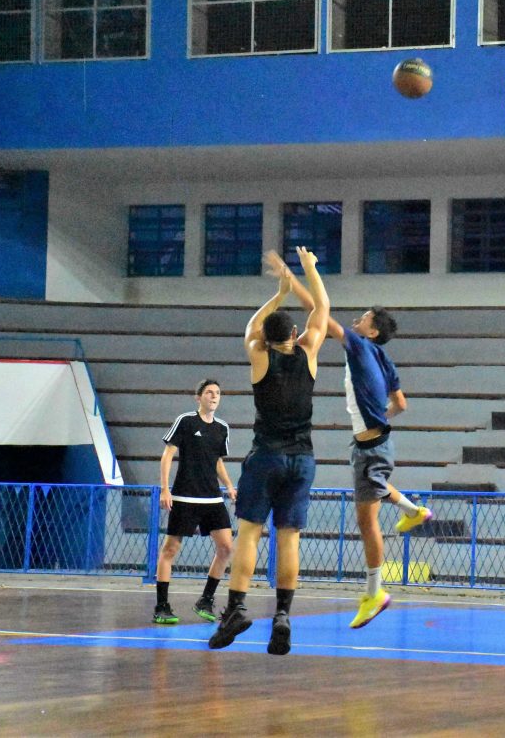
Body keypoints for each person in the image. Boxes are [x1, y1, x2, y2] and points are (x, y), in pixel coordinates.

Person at [267, 250, 433, 630]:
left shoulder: (359, 347)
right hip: (372, 444)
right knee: (376, 489)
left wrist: (292, 278)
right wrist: (378, 419)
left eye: (363, 319)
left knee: (366, 522)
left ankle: (375, 591)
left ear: (372, 331)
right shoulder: (381, 357)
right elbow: (401, 404)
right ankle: (413, 510)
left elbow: (319, 313)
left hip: (371, 447)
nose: (355, 321)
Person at [209, 246, 329, 656]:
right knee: (288, 537)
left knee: (249, 534)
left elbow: (251, 328)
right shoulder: (309, 352)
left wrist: (278, 293)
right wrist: (309, 270)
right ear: (294, 336)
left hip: (266, 455)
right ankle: (282, 614)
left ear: (267, 337)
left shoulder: (259, 357)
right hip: (303, 458)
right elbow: (322, 310)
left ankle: (238, 607)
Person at [152, 379, 235, 625]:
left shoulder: (222, 428)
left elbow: (217, 461)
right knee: (170, 549)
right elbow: (168, 455)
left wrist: (229, 485)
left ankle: (206, 600)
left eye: (218, 393)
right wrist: (165, 489)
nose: (214, 396)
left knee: (227, 548)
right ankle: (162, 606)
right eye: (209, 392)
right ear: (198, 397)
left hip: (212, 498)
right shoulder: (186, 421)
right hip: (185, 496)